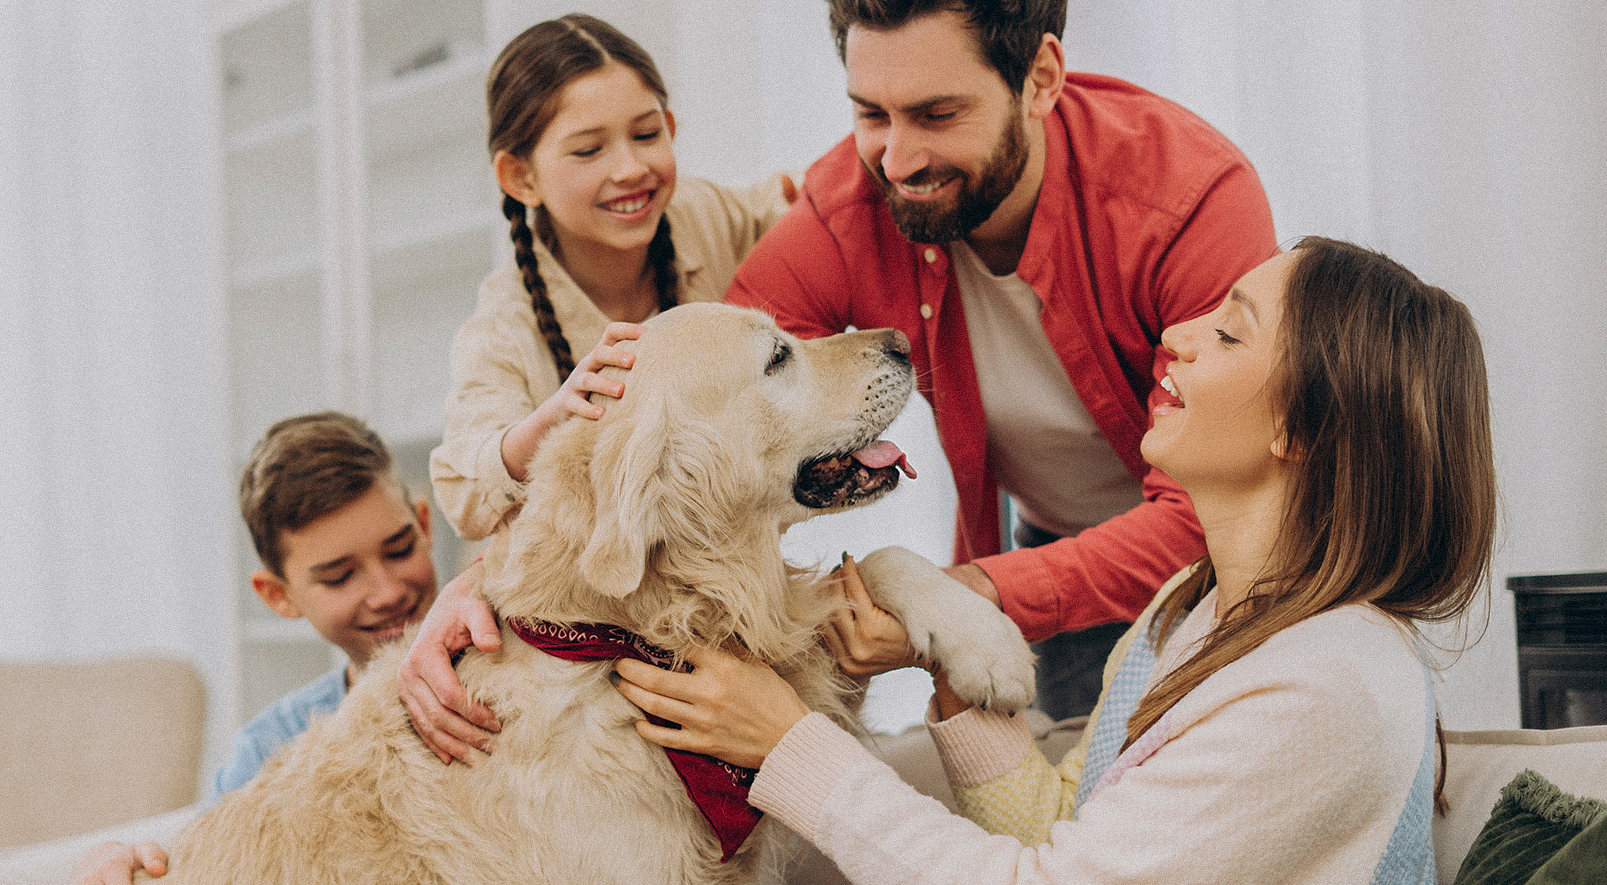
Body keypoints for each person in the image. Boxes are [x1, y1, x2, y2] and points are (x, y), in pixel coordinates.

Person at [616, 237, 1498, 883]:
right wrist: (946, 662)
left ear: (1299, 428)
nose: (1179, 333)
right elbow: (1061, 832)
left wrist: (789, 743)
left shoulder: (1331, 682)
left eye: (1230, 335)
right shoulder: (1185, 612)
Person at [721, 0, 1281, 720]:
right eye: (871, 115)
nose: (897, 160)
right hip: (1059, 548)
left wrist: (972, 591)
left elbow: (1212, 504)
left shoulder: (1189, 197)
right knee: (1080, 813)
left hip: (1247, 567)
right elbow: (723, 404)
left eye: (938, 114)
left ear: (1042, 78)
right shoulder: (848, 208)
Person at [409, 13, 792, 762]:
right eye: (589, 149)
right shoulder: (504, 325)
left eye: (647, 135)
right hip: (580, 648)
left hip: (716, 607)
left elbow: (801, 206)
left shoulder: (703, 216)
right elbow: (467, 484)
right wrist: (554, 416)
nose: (631, 169)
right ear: (520, 176)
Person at [68, 412, 439, 885]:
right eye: (340, 577)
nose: (387, 591)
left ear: (424, 525)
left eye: (400, 550)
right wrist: (124, 861)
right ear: (278, 596)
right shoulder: (268, 750)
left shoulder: (517, 670)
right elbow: (217, 860)